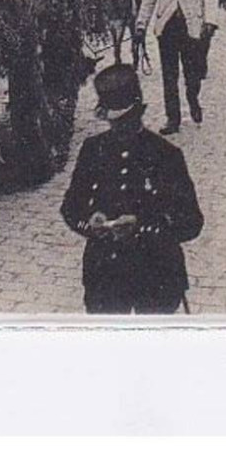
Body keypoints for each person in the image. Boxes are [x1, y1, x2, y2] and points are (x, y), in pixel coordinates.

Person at [60, 64, 205, 315]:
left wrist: (141, 226)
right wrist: (91, 223)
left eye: (126, 121)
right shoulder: (94, 150)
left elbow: (191, 222)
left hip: (155, 274)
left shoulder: (166, 155)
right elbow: (71, 207)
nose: (119, 129)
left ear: (139, 113)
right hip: (106, 275)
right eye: (114, 123)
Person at [135, 0, 220, 134]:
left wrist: (210, 21)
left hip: (192, 25)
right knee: (169, 74)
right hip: (168, 27)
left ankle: (193, 98)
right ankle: (173, 118)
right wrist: (141, 25)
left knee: (193, 72)